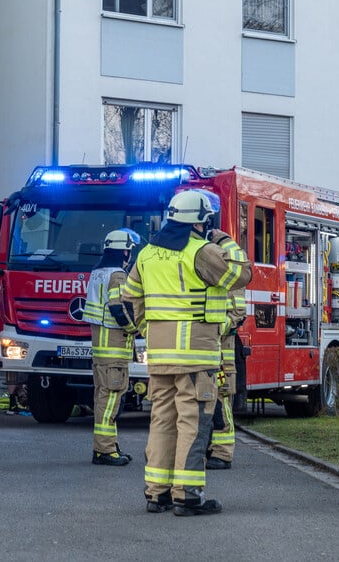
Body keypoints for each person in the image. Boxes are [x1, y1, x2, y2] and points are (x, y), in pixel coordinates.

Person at [122, 189, 250, 516]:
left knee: (162, 422)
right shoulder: (202, 251)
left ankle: (157, 493)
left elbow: (130, 299)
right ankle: (188, 496)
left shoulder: (146, 254)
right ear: (201, 221)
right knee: (193, 425)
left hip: (160, 356)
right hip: (196, 357)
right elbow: (242, 274)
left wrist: (148, 331)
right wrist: (226, 241)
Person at [84, 229, 139, 466]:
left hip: (101, 351)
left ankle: (107, 446)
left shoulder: (97, 272)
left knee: (103, 398)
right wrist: (134, 329)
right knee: (110, 402)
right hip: (114, 350)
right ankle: (105, 450)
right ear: (124, 252)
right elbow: (118, 308)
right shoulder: (117, 275)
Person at [206, 248, 251, 471]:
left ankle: (222, 453)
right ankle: (206, 448)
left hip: (223, 354)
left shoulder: (232, 283)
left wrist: (212, 328)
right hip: (204, 352)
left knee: (221, 402)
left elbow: (237, 315)